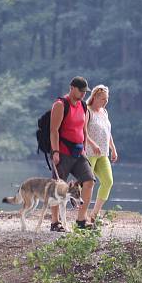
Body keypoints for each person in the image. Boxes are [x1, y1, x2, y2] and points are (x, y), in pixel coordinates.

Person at [49, 76, 96, 231]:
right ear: (72, 88)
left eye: (85, 91)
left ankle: (81, 220)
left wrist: (84, 149)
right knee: (58, 187)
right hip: (62, 152)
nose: (83, 94)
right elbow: (53, 130)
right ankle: (55, 222)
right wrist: (55, 151)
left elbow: (83, 130)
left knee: (89, 181)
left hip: (79, 152)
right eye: (81, 91)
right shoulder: (60, 104)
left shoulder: (83, 106)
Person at [85, 84, 118, 224]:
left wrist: (113, 148)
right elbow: (83, 132)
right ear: (95, 97)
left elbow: (107, 132)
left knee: (108, 181)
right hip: (89, 152)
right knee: (87, 184)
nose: (106, 101)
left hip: (103, 153)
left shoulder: (104, 112)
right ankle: (82, 216)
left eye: (107, 99)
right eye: (103, 99)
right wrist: (93, 144)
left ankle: (94, 214)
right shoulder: (87, 111)